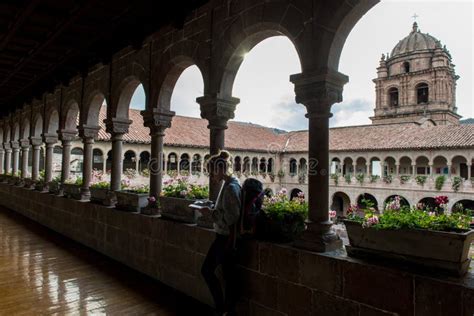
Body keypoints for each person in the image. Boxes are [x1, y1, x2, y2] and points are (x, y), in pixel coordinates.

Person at [201, 150, 241, 316]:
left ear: (219, 169)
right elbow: (226, 212)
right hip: (225, 238)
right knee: (227, 276)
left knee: (208, 271)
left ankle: (223, 309)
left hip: (225, 239)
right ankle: (225, 309)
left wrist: (209, 214)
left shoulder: (231, 187)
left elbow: (232, 219)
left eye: (211, 171)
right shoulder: (230, 183)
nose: (211, 176)